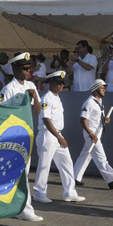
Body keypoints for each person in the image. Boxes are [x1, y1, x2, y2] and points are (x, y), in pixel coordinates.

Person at [0, 52, 44, 222]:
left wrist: (35, 98)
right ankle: (24, 209)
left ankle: (18, 207)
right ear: (16, 68)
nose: (28, 72)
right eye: (25, 68)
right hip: (13, 136)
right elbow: (1, 113)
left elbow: (37, 111)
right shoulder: (8, 89)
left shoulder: (31, 85)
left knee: (22, 173)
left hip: (26, 135)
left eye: (30, 68)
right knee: (19, 174)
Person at [33, 71, 85, 204]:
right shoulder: (46, 98)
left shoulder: (57, 98)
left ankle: (69, 192)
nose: (62, 85)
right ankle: (39, 193)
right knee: (44, 165)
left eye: (63, 83)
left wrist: (59, 136)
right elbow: (46, 119)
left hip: (57, 134)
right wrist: (58, 136)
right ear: (51, 83)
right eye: (59, 83)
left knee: (67, 163)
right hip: (48, 135)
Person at [72, 79, 113, 190]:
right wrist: (91, 134)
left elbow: (98, 118)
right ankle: (112, 179)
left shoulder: (99, 102)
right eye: (102, 88)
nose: (104, 90)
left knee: (85, 155)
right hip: (91, 135)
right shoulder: (89, 102)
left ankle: (74, 177)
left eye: (105, 88)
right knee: (101, 158)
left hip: (96, 134)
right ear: (95, 89)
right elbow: (82, 119)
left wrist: (105, 119)